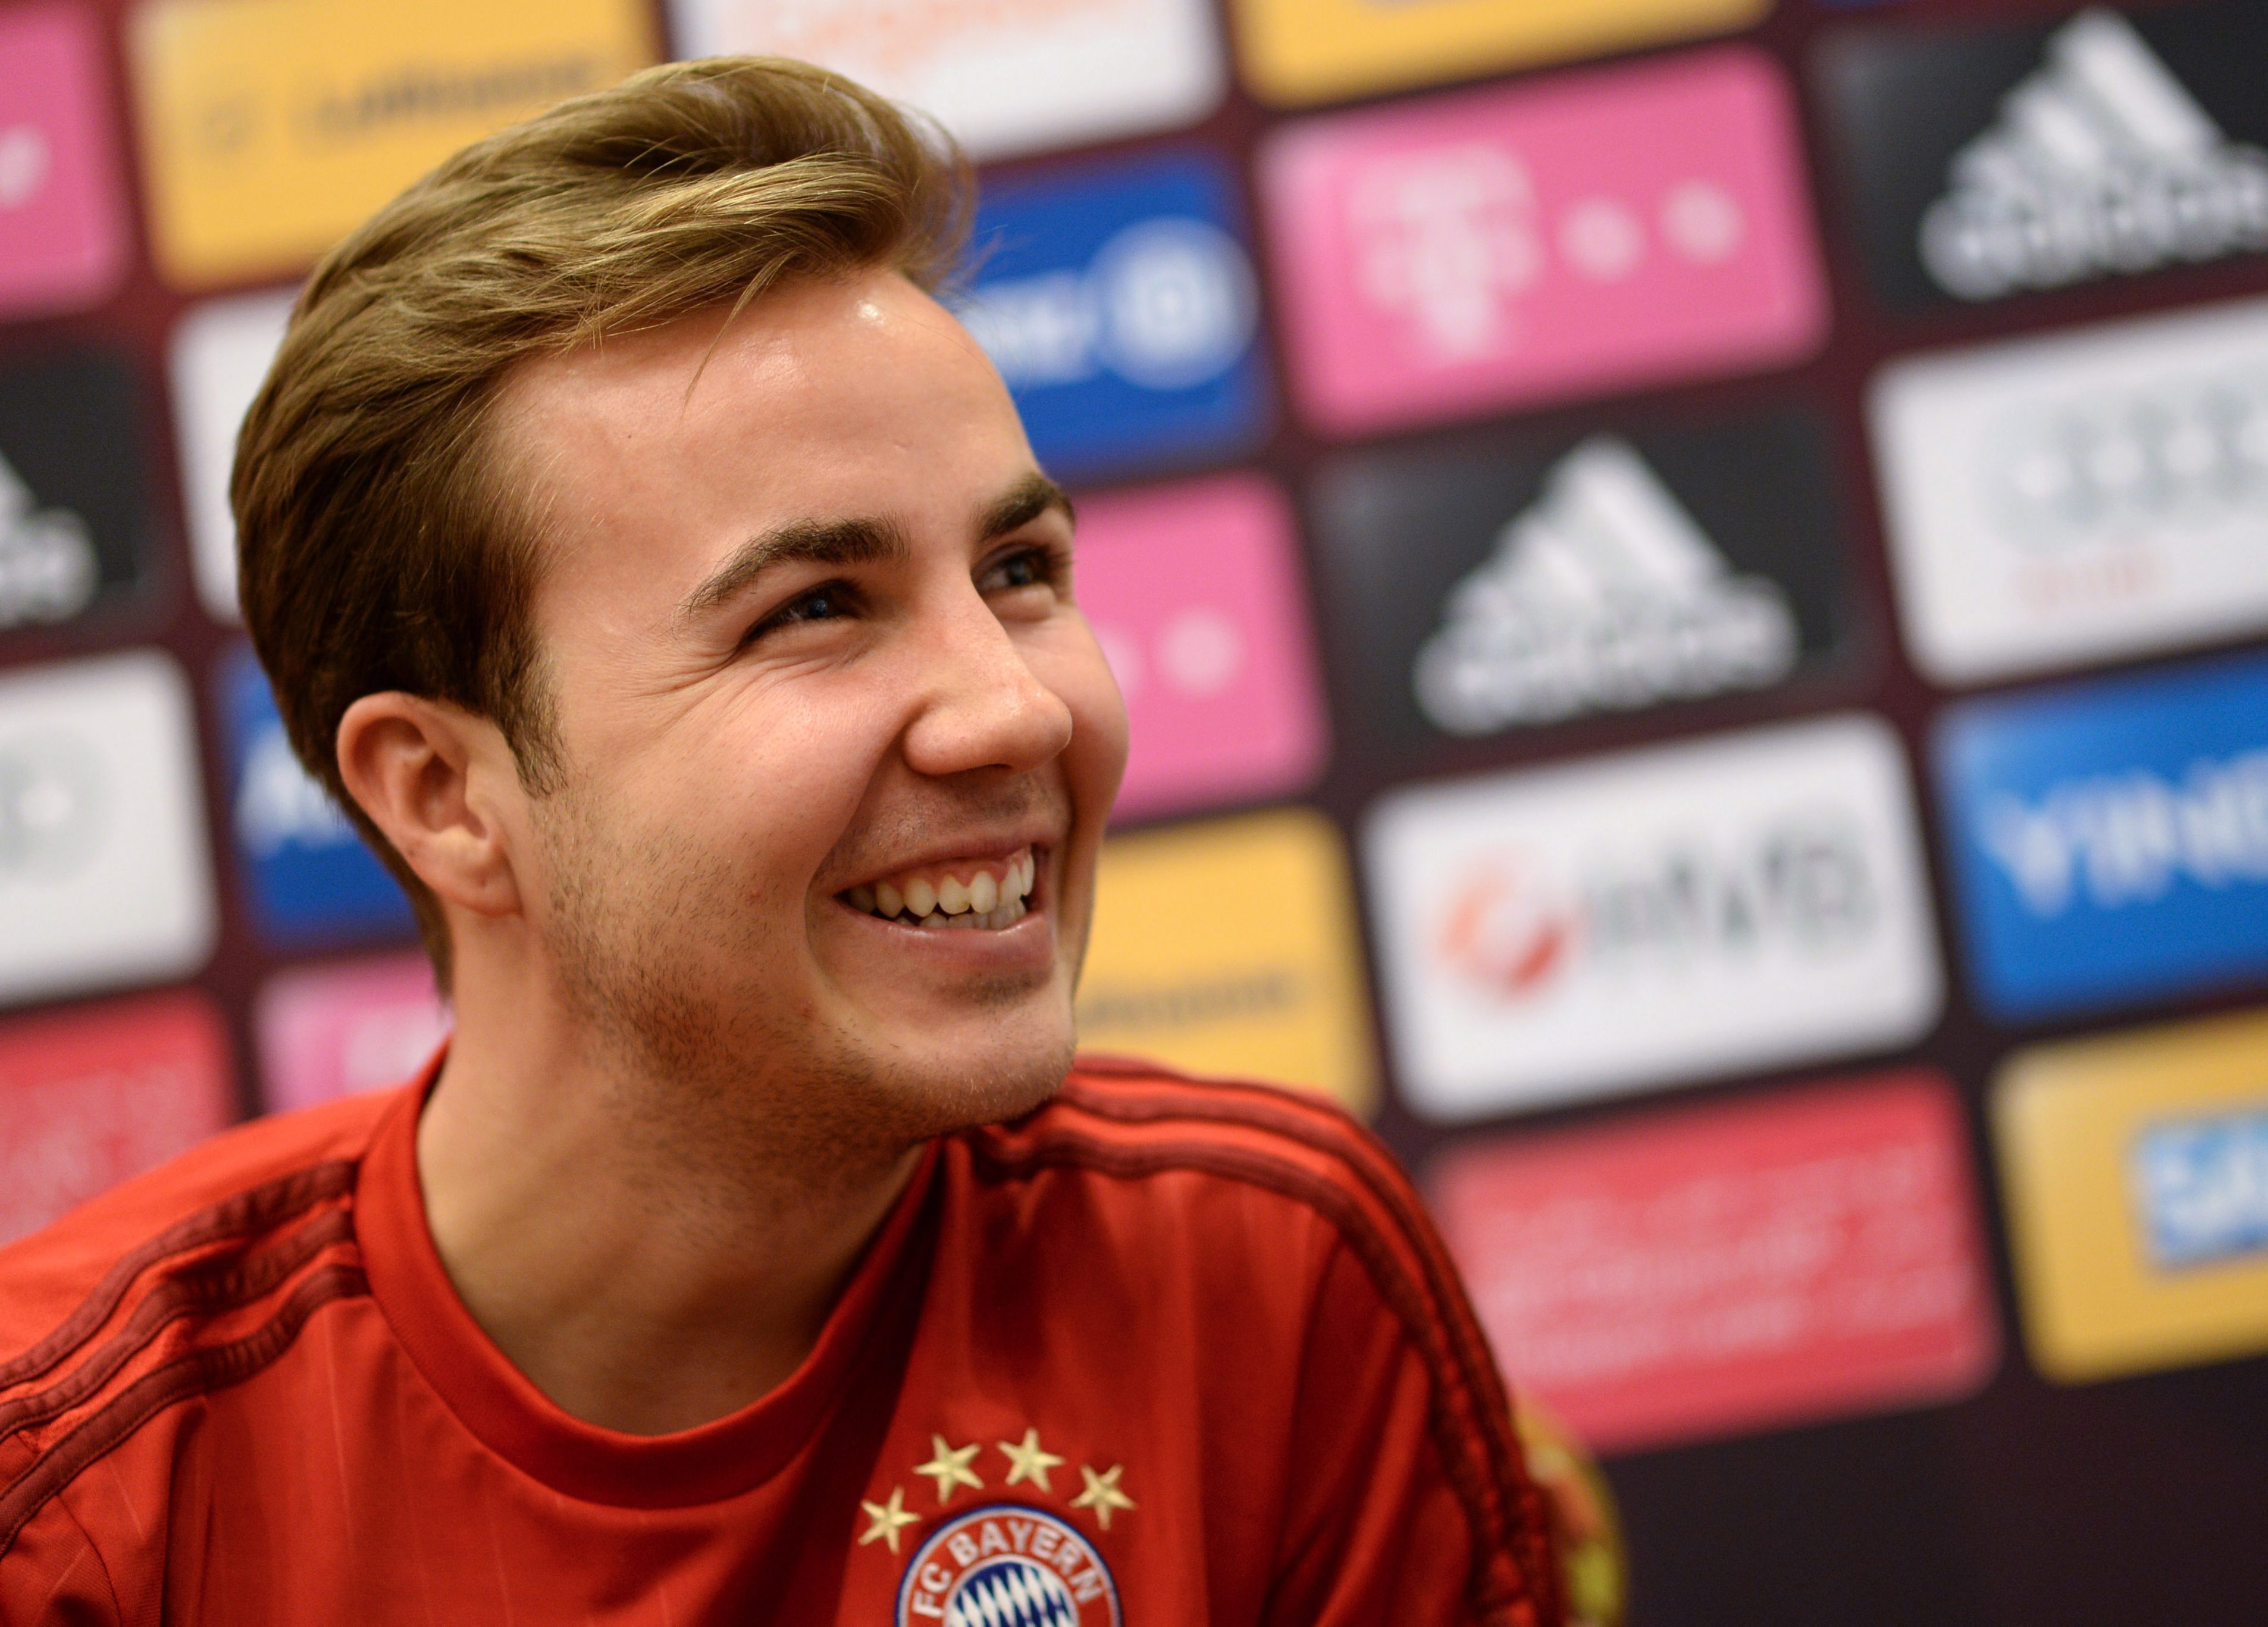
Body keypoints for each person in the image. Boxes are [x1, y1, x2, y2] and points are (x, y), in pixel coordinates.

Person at [0, 57, 1561, 1625]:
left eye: (1020, 569)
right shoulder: (77, 1493)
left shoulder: (1265, 1276)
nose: (1015, 710)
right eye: (814, 608)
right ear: (443, 796)